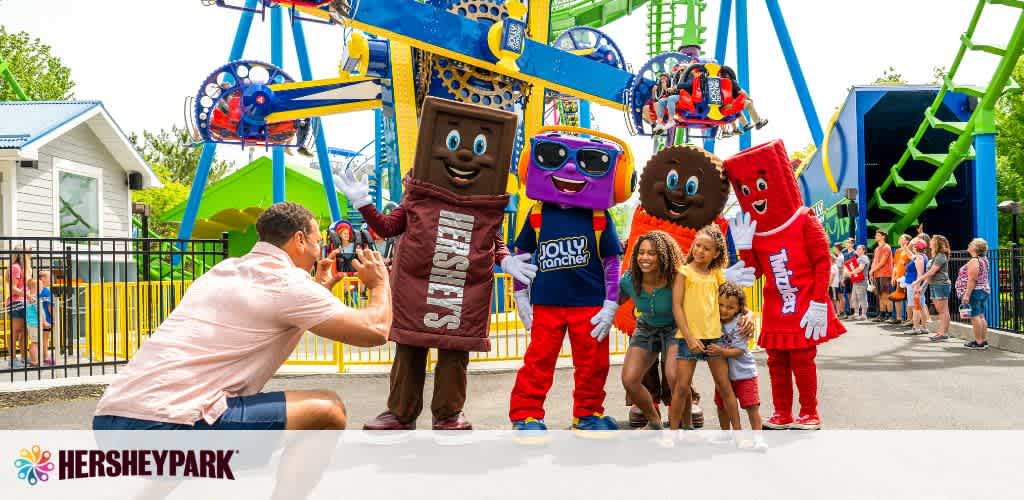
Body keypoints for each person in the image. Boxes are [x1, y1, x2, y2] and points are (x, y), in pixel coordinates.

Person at [93, 202, 392, 430]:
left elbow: (278, 311)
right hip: (167, 425)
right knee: (328, 409)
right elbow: (375, 330)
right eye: (317, 242)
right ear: (299, 240)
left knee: (188, 454)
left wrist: (319, 289)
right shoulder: (288, 284)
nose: (319, 252)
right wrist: (380, 282)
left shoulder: (223, 270)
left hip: (111, 418)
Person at [668, 225, 741, 431]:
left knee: (724, 386)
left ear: (716, 253)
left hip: (714, 339)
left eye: (706, 248)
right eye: (697, 245)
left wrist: (748, 314)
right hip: (688, 339)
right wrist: (690, 338)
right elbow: (677, 306)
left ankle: (738, 432)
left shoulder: (716, 273)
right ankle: (673, 432)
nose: (700, 250)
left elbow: (729, 298)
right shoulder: (683, 272)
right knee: (682, 388)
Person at [618, 231, 684, 429]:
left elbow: (709, 296)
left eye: (652, 253)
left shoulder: (678, 278)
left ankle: (682, 422)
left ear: (663, 256)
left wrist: (745, 313)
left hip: (676, 328)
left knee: (674, 376)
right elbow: (612, 301)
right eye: (641, 252)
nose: (644, 258)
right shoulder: (630, 280)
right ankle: (655, 422)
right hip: (646, 328)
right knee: (630, 379)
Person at [706, 282, 766, 449]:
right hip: (725, 374)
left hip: (744, 373)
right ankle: (726, 435)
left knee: (752, 407)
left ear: (739, 309)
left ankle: (758, 438)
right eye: (721, 305)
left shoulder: (740, 324)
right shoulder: (714, 320)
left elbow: (739, 350)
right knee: (721, 405)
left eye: (730, 307)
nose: (724, 310)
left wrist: (721, 351)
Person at [956, 238, 991, 350]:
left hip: (975, 292)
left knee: (975, 316)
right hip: (983, 290)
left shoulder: (974, 261)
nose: (969, 244)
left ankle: (978, 342)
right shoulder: (984, 259)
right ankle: (983, 340)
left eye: (971, 244)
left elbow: (972, 279)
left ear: (975, 248)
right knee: (980, 315)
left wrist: (966, 295)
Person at [916, 235, 952, 342]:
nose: (930, 242)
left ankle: (943, 333)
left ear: (937, 243)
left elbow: (931, 272)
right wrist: (922, 287)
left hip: (941, 285)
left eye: (932, 240)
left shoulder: (941, 256)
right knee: (941, 310)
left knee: (943, 311)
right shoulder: (936, 256)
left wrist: (917, 281)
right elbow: (930, 275)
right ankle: (942, 332)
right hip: (935, 285)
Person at [5, 245, 31, 369]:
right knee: (15, 331)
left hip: (26, 302)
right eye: (29, 252)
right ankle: (12, 359)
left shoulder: (26, 268)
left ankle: (24, 358)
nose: (31, 254)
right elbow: (13, 288)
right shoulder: (16, 267)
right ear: (22, 254)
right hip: (17, 303)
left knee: (25, 331)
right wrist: (26, 294)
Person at [902, 238, 929, 335]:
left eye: (914, 246)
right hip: (917, 284)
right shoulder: (921, 256)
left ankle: (916, 328)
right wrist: (905, 246)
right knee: (921, 306)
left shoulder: (919, 258)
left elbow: (920, 273)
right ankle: (924, 327)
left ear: (916, 247)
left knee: (916, 306)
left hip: (915, 285)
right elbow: (909, 254)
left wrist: (917, 286)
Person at [28, 271, 54, 366]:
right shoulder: (46, 291)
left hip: (34, 321)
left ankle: (39, 358)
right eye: (49, 277)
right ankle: (45, 358)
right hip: (45, 319)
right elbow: (49, 307)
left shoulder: (30, 293)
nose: (51, 279)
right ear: (42, 279)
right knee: (45, 339)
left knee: (37, 340)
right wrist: (53, 318)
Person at [870, 230, 894, 322]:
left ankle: (890, 315)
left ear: (883, 237)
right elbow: (875, 262)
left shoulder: (886, 247)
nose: (875, 236)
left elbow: (882, 262)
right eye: (876, 235)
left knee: (886, 295)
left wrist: (872, 270)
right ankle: (882, 314)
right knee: (880, 295)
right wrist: (872, 272)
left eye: (878, 235)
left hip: (885, 274)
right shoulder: (876, 249)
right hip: (877, 274)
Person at [889, 234, 912, 325]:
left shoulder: (909, 251)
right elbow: (895, 265)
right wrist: (893, 277)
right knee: (897, 298)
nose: (899, 239)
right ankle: (899, 318)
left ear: (907, 241)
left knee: (907, 299)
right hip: (898, 278)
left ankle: (908, 318)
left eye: (902, 238)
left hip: (906, 278)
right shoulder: (898, 251)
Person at [844, 245, 870, 320]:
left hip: (861, 281)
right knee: (854, 298)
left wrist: (851, 273)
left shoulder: (863, 258)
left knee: (862, 297)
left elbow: (860, 268)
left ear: (863, 250)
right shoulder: (858, 258)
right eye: (857, 249)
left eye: (859, 249)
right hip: (856, 281)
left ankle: (864, 315)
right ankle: (856, 313)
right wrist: (848, 273)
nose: (857, 250)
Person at [830, 243, 847, 319]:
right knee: (839, 296)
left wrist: (841, 280)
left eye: (834, 247)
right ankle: (841, 312)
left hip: (839, 280)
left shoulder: (840, 257)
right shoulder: (839, 256)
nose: (833, 249)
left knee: (840, 296)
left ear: (837, 248)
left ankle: (842, 312)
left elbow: (840, 269)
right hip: (839, 279)